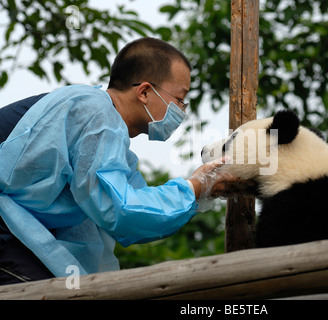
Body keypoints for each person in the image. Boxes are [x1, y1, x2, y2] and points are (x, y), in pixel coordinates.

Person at [0, 37, 237, 285]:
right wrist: (194, 187)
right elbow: (120, 210)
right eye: (179, 99)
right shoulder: (96, 117)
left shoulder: (111, 136)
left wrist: (200, 190)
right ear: (145, 91)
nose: (182, 110)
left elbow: (141, 211)